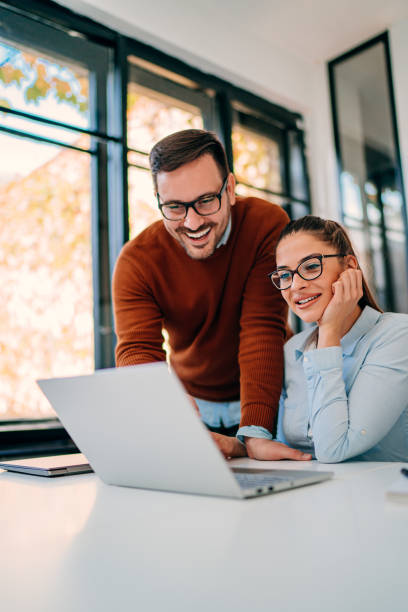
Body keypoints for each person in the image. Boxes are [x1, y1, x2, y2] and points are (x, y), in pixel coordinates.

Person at [112, 128, 311, 461]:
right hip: (193, 403)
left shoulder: (266, 224)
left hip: (271, 391)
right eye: (174, 207)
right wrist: (165, 403)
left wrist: (256, 431)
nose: (192, 222)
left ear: (229, 189)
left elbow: (261, 328)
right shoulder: (138, 260)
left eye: (206, 200)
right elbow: (137, 349)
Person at [266, 215, 408, 463]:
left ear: (350, 267)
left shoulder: (397, 336)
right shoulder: (293, 350)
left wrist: (330, 331)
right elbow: (284, 448)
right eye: (285, 275)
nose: (295, 285)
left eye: (310, 266)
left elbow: (334, 449)